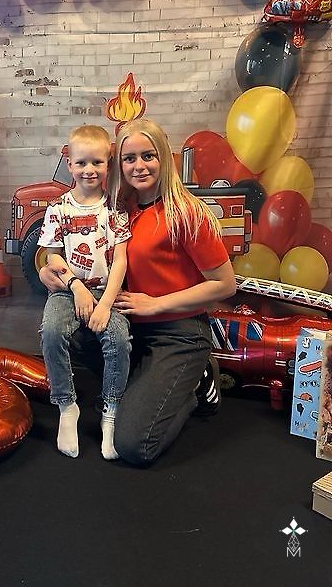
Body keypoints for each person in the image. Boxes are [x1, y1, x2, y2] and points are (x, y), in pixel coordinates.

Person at [40, 118, 237, 466]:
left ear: (164, 158)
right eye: (129, 158)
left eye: (148, 156)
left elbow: (225, 284)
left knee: (134, 445)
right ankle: (140, 389)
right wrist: (47, 270)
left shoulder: (186, 213)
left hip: (178, 332)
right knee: (66, 329)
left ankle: (194, 387)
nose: (139, 166)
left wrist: (157, 304)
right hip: (132, 322)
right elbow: (67, 250)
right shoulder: (120, 207)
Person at [37, 125, 132, 460]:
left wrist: (105, 304)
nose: (89, 170)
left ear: (108, 164)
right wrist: (75, 286)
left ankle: (111, 410)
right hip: (68, 291)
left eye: (97, 162)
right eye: (81, 163)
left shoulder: (115, 208)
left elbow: (120, 260)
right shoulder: (58, 208)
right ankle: (67, 406)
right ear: (69, 163)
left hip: (107, 292)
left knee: (118, 339)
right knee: (51, 331)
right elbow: (52, 256)